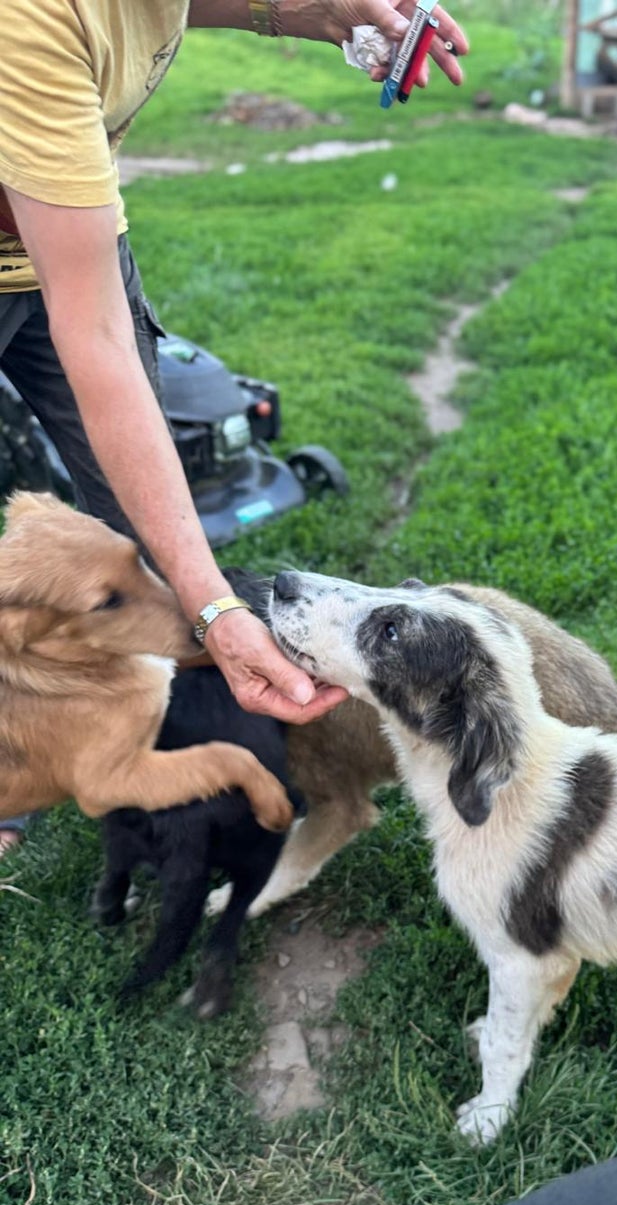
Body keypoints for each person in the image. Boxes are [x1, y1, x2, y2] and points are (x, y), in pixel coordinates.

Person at [0, 0, 468, 859]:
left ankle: (130, 747)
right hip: (47, 258)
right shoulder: (24, 22)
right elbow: (96, 341)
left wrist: (306, 13)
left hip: (66, 243)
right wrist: (212, 606)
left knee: (125, 526)